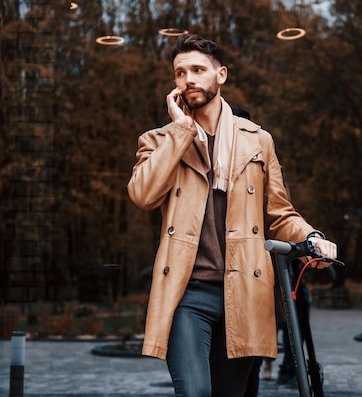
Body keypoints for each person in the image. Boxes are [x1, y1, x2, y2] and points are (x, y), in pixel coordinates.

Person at [127, 33, 338, 397]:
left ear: (221, 74)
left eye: (197, 69)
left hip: (246, 292)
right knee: (193, 392)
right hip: (188, 294)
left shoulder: (258, 140)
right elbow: (143, 194)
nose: (188, 79)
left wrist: (312, 238)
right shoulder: (160, 140)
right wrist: (181, 130)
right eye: (180, 73)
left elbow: (279, 213)